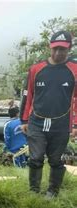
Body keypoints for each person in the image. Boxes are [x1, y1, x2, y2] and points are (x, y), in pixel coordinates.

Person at [20, 30, 77, 198]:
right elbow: (27, 94)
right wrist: (23, 120)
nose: (58, 53)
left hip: (61, 124)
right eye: (55, 49)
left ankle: (52, 192)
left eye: (63, 49)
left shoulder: (74, 69)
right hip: (36, 122)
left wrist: (75, 124)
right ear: (50, 47)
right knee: (36, 157)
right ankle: (34, 192)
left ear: (69, 49)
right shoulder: (36, 69)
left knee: (55, 160)